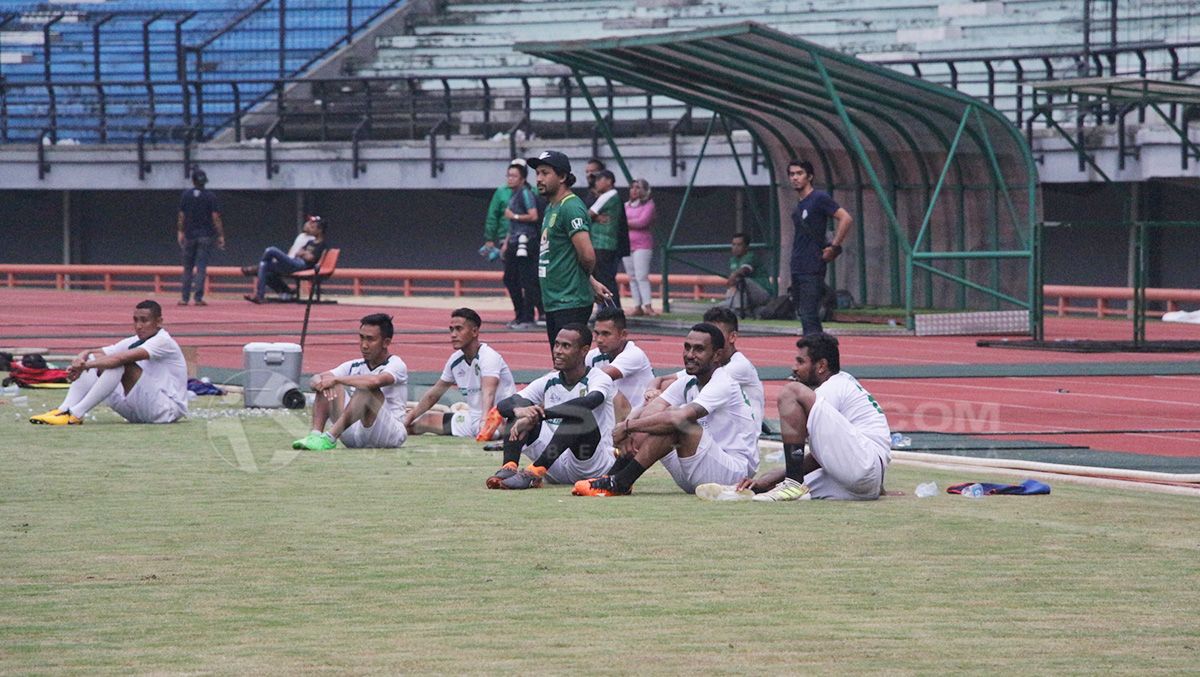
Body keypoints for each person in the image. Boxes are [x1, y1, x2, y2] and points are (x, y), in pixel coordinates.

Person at [572, 323, 758, 496]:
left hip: (733, 475)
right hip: (699, 468)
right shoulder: (688, 379)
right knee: (656, 419)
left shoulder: (723, 381)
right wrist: (628, 428)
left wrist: (628, 426)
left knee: (677, 422)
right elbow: (653, 408)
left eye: (699, 349)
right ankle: (610, 478)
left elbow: (678, 419)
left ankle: (620, 482)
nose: (690, 354)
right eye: (687, 347)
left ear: (717, 355)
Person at [739, 332, 891, 501]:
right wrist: (767, 480)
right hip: (864, 477)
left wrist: (788, 476)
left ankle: (793, 483)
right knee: (769, 485)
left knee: (791, 391)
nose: (794, 368)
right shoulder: (843, 382)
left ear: (821, 366)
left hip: (863, 467)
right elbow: (828, 453)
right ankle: (791, 484)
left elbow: (817, 459)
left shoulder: (832, 388)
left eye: (800, 361)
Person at [485, 323, 616, 490]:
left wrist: (538, 415)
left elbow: (589, 402)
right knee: (520, 410)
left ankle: (533, 473)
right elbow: (504, 405)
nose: (558, 351)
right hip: (555, 462)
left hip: (591, 464)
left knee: (579, 416)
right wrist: (520, 411)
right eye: (556, 344)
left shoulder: (599, 377)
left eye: (566, 346)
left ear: (584, 351)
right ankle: (509, 468)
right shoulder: (549, 380)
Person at [29, 300, 187, 425]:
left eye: (144, 321)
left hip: (165, 411)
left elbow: (119, 359)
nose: (138, 326)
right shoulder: (135, 340)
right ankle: (63, 410)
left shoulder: (163, 341)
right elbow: (99, 353)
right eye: (135, 320)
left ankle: (75, 414)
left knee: (117, 364)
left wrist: (85, 365)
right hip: (140, 409)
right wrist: (83, 356)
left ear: (159, 322)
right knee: (96, 360)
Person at [527, 149, 612, 347]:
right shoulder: (551, 207)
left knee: (569, 365)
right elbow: (569, 254)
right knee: (561, 365)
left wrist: (583, 281)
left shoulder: (570, 206)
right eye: (537, 173)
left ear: (563, 176)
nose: (539, 179)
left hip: (569, 301)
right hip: (555, 299)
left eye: (545, 173)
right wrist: (590, 281)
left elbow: (587, 255)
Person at [292, 314, 409, 451]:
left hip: (389, 434)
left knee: (367, 389)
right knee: (329, 385)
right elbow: (315, 379)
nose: (364, 345)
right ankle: (315, 436)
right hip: (355, 434)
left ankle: (329, 437)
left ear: (386, 342)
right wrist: (320, 382)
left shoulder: (396, 364)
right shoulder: (354, 365)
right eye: (361, 337)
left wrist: (336, 379)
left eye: (370, 339)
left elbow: (375, 381)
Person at [641, 306, 764, 429]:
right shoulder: (706, 364)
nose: (710, 338)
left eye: (716, 333)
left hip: (739, 435)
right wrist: (651, 391)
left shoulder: (738, 367)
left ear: (732, 337)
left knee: (669, 419)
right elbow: (663, 380)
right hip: (715, 428)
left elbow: (679, 412)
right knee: (660, 406)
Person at [404, 308, 516, 438]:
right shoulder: (455, 360)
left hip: (499, 419)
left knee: (499, 431)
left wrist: (485, 423)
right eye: (451, 329)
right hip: (471, 419)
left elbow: (489, 393)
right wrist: (409, 417)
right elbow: (433, 396)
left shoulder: (489, 357)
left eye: (459, 329)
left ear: (474, 331)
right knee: (417, 424)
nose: (453, 334)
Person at [788, 160, 853, 335]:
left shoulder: (819, 198)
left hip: (812, 264)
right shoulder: (799, 204)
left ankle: (816, 351)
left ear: (809, 176)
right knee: (802, 312)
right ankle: (814, 350)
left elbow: (846, 218)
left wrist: (834, 246)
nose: (795, 178)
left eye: (799, 173)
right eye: (792, 174)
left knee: (809, 313)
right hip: (797, 264)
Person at [586, 307, 654, 423]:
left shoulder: (634, 354)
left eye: (606, 334)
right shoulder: (593, 355)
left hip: (637, 420)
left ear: (623, 334)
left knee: (605, 386)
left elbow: (601, 376)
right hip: (610, 419)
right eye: (596, 333)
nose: (599, 340)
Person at [243, 215, 328, 303]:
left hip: (302, 265)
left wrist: (303, 254)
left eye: (313, 228)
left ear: (320, 230)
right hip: (295, 262)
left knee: (270, 250)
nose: (311, 229)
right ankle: (259, 296)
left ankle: (257, 268)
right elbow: (298, 253)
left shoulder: (322, 244)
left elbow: (310, 258)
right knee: (264, 265)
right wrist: (304, 254)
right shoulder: (310, 242)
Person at [500, 160, 543, 329]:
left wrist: (514, 216)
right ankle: (520, 315)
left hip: (526, 241)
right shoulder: (513, 194)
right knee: (511, 278)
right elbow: (513, 225)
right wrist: (506, 242)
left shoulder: (525, 193)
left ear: (523, 179)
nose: (510, 179)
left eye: (514, 176)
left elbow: (533, 215)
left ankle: (527, 317)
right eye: (509, 175)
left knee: (525, 279)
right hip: (515, 240)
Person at [177, 168, 225, 306]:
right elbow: (215, 217)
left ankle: (184, 298)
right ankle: (198, 297)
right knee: (201, 267)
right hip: (205, 235)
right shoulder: (210, 197)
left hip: (190, 235)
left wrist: (180, 231)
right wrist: (220, 235)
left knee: (187, 268)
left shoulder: (186, 195)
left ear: (193, 181)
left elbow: (181, 216)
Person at [587, 169, 623, 311]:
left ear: (609, 181)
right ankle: (608, 310)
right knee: (605, 278)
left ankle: (611, 311)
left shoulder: (608, 195)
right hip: (605, 244)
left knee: (605, 279)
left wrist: (594, 217)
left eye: (600, 179)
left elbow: (588, 214)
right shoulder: (610, 196)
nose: (596, 183)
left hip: (602, 243)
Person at [623, 177, 656, 316]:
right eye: (632, 187)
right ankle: (637, 305)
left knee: (641, 275)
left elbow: (642, 221)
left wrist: (626, 222)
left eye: (638, 187)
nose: (634, 190)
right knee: (632, 276)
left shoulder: (649, 204)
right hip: (627, 244)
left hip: (642, 244)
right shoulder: (626, 205)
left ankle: (648, 305)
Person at [720, 233, 771, 317]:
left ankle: (739, 310)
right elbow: (731, 284)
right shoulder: (733, 260)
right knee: (717, 308)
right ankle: (744, 311)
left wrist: (734, 275)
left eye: (739, 245)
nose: (735, 247)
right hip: (746, 297)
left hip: (762, 293)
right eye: (733, 244)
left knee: (741, 279)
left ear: (746, 247)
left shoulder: (751, 256)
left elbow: (744, 270)